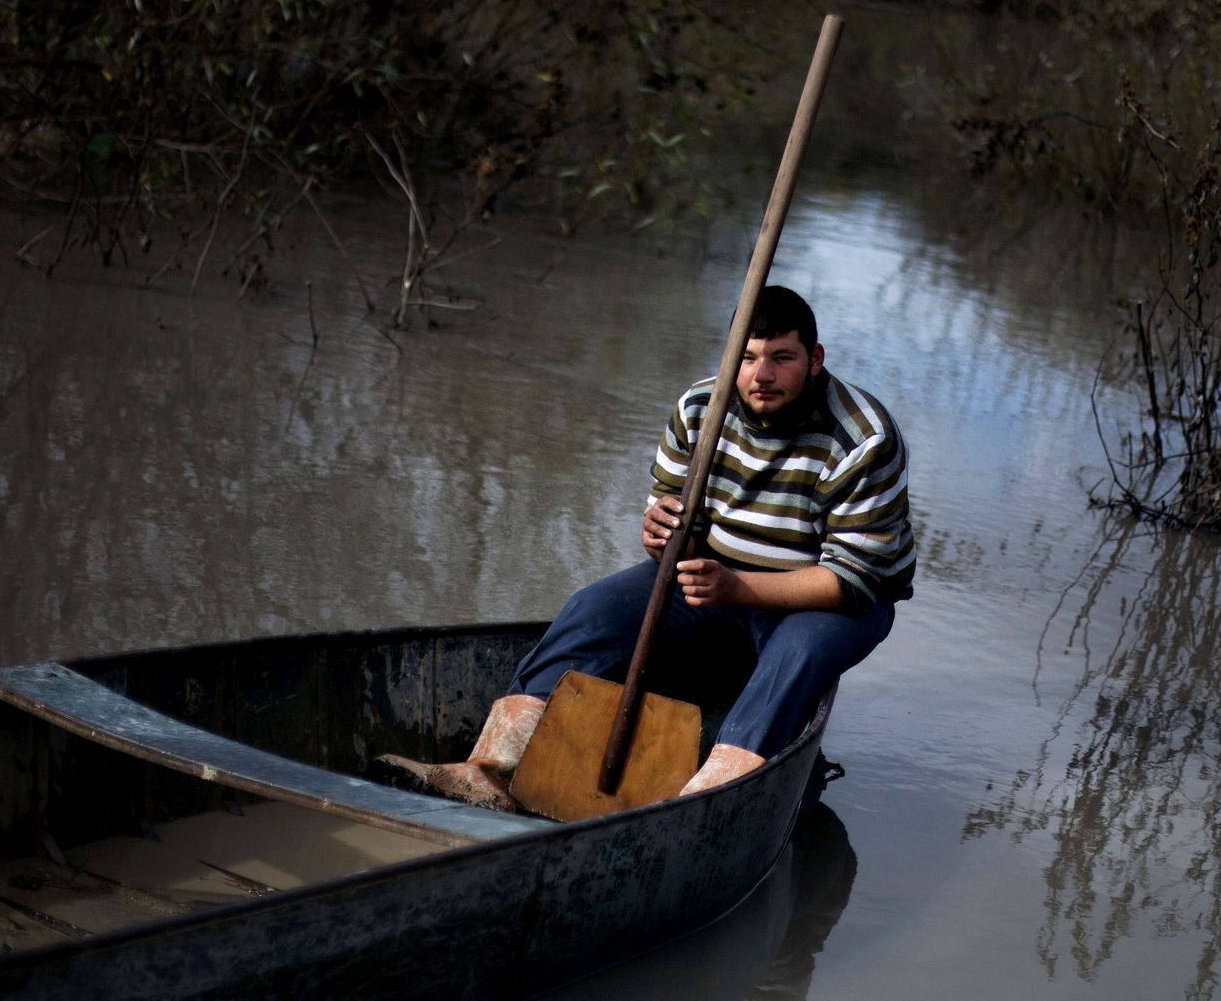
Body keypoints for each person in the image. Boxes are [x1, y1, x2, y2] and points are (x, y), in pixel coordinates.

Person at [380, 286, 914, 810]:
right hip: (711, 584)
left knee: (796, 655)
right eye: (746, 358)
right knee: (591, 608)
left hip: (822, 602)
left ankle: (705, 800)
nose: (761, 376)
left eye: (782, 358)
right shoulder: (699, 408)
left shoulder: (862, 438)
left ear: (814, 359)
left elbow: (851, 581)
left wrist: (736, 586)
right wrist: (657, 526)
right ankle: (491, 768)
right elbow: (669, 504)